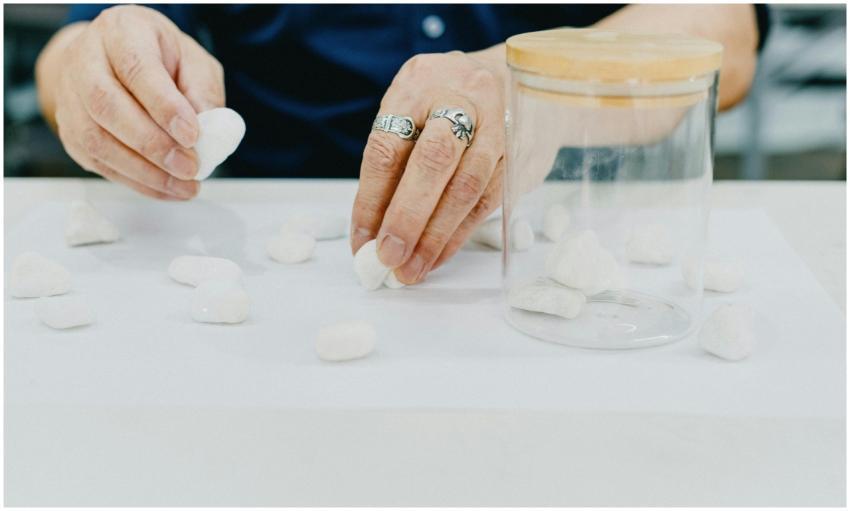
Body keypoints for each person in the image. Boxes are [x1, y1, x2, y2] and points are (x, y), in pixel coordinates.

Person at [35, 4, 768, 284]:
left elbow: (723, 30)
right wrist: (84, 68)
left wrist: (526, 87)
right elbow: (79, 41)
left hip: (530, 237)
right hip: (254, 252)